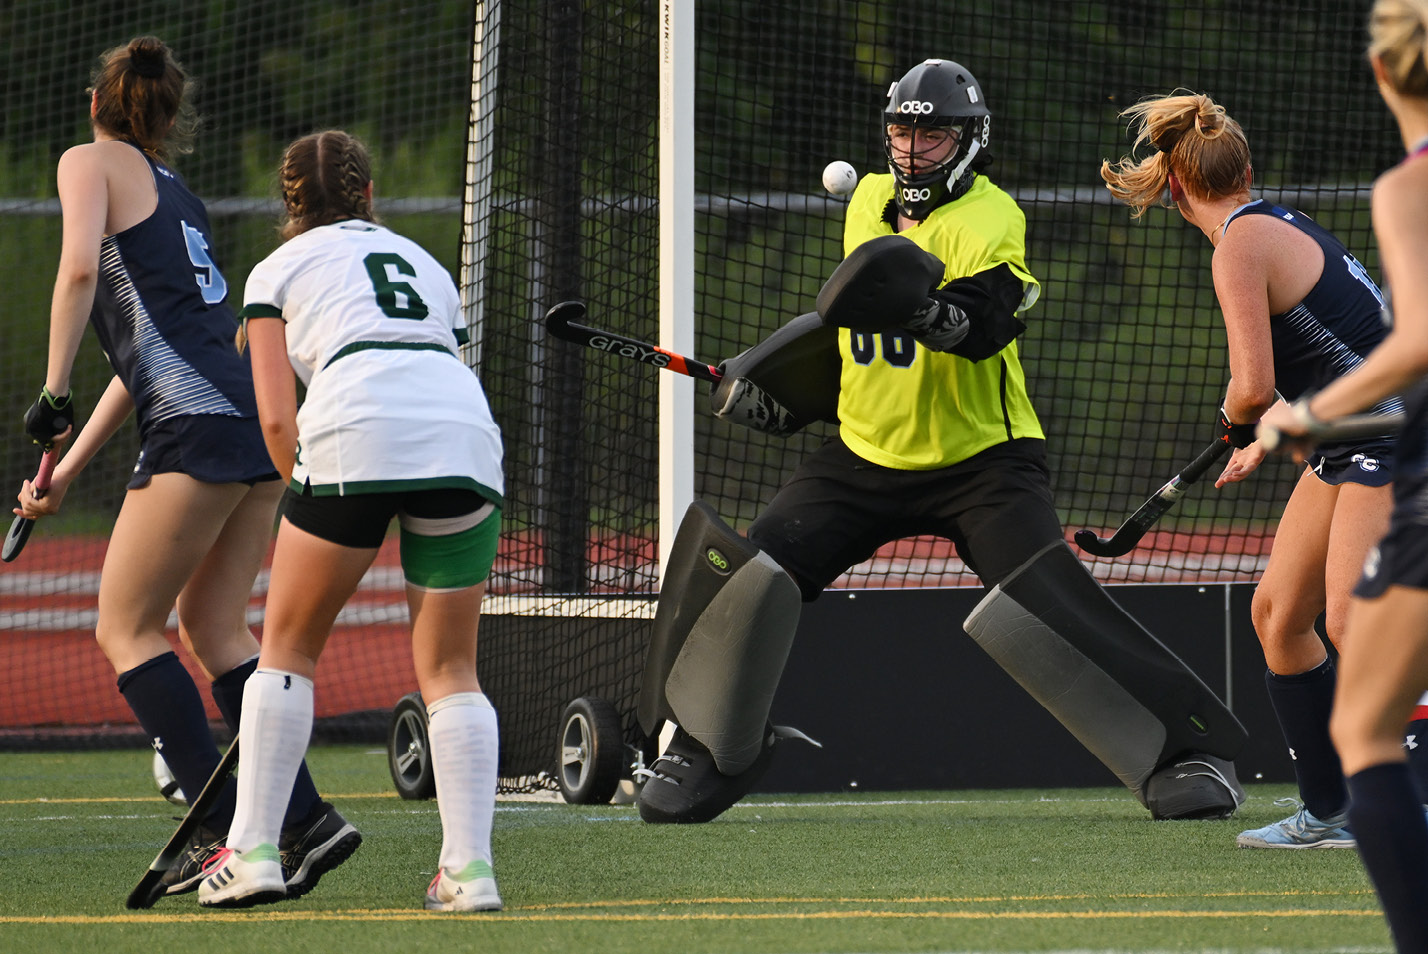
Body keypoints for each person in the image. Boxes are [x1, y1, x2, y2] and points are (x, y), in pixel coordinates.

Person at [633, 58, 1250, 826]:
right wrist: (782, 391)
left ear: (969, 141)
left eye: (933, 134)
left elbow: (986, 323)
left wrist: (931, 313)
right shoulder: (866, 199)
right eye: (903, 131)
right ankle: (709, 748)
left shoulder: (992, 217)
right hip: (863, 454)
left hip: (983, 464)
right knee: (752, 576)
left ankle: (1186, 752)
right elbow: (846, 332)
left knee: (1049, 599)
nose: (914, 148)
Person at [12, 36, 358, 897]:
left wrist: (51, 392)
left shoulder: (87, 161)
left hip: (194, 421)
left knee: (125, 627)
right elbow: (140, 365)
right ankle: (305, 819)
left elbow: (78, 271)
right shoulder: (181, 196)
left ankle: (218, 825)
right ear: (167, 119)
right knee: (214, 626)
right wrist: (64, 467)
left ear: (98, 104)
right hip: (253, 418)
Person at [1100, 91, 1428, 850]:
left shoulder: (1239, 246)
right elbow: (1314, 363)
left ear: (1174, 187)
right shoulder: (1270, 221)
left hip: (1395, 431)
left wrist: (1240, 419)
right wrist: (1267, 429)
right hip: (1350, 433)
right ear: (1244, 171)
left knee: (1356, 620)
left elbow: (1251, 385)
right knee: (1280, 616)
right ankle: (1333, 809)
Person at [195, 130, 506, 911]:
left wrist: (305, 495)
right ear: (368, 195)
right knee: (451, 670)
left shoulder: (276, 268)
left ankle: (252, 851)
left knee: (287, 650)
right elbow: (435, 366)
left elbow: (276, 420)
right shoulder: (426, 265)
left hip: (353, 428)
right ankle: (468, 873)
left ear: (289, 203)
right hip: (464, 434)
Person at [1259, 0, 1428, 946]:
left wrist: (1310, 413)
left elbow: (1415, 343)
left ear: (1381, 73)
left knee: (1364, 722)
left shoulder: (1409, 188)